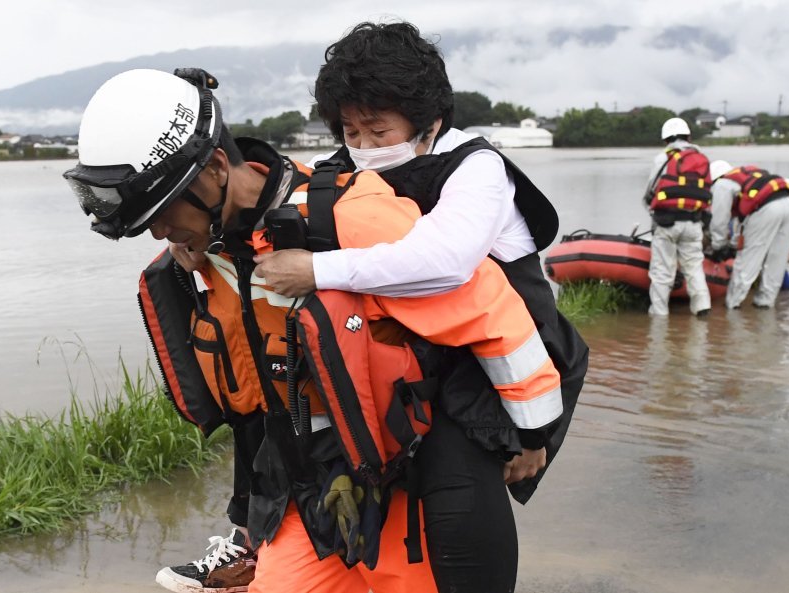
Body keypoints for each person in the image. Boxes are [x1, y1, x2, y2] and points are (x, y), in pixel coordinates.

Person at [65, 68, 567, 593]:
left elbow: (491, 311)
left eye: (163, 213)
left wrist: (532, 434)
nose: (162, 231)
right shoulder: (206, 245)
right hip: (307, 479)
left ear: (215, 168)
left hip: (401, 471)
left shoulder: (347, 217)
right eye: (149, 223)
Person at [247, 21, 588, 592]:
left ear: (429, 122)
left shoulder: (478, 169)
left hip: (498, 375)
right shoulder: (348, 165)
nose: (363, 146)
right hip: (418, 368)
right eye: (350, 130)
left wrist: (318, 269)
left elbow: (443, 263)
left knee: (460, 520)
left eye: (378, 130)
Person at [641, 117, 712, 316]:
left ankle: (659, 317)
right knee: (694, 268)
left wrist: (651, 208)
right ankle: (702, 309)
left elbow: (651, 191)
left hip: (667, 223)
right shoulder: (701, 158)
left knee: (662, 272)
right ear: (689, 136)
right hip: (693, 223)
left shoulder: (663, 158)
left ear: (666, 140)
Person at [706, 160, 789, 309]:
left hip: (766, 208)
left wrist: (719, 245)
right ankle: (764, 304)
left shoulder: (722, 184)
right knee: (777, 260)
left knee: (748, 261)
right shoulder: (748, 176)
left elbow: (719, 220)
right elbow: (742, 221)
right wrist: (733, 244)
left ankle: (732, 305)